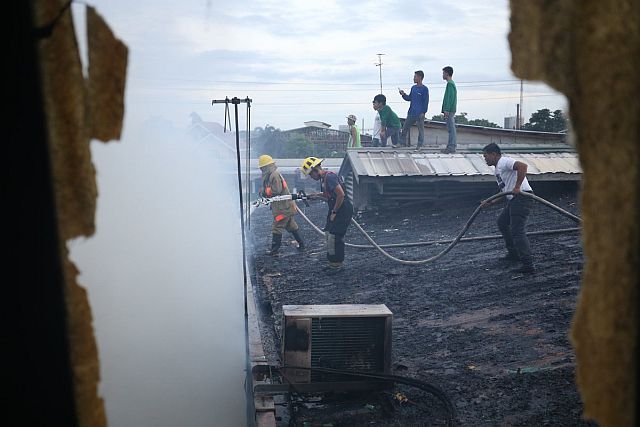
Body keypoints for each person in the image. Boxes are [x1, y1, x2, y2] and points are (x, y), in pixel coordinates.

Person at [480, 143, 535, 273]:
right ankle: (514, 254)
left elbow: (523, 166)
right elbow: (505, 192)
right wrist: (491, 202)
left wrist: (517, 187)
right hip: (514, 199)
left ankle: (528, 265)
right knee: (502, 222)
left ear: (494, 154)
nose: (485, 159)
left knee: (517, 230)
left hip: (522, 198)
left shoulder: (504, 161)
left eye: (486, 156)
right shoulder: (497, 169)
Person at [300, 156, 353, 269]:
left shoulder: (330, 177)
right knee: (329, 233)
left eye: (310, 174)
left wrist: (334, 212)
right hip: (335, 208)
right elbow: (327, 194)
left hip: (342, 210)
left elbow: (341, 195)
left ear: (315, 170)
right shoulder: (323, 179)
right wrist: (313, 196)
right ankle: (332, 262)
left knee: (335, 236)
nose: (311, 177)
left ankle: (337, 264)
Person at [258, 154, 305, 255]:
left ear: (266, 167)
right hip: (285, 206)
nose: (262, 170)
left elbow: (276, 190)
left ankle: (274, 250)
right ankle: (302, 245)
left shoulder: (274, 175)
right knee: (291, 226)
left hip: (283, 208)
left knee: (277, 226)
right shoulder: (272, 175)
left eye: (262, 168)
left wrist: (264, 191)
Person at [399, 70, 429, 148]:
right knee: (404, 128)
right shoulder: (413, 88)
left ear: (420, 77)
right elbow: (409, 98)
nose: (413, 78)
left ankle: (419, 145)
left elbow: (426, 102)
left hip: (419, 114)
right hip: (411, 112)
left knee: (420, 130)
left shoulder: (425, 89)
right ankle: (401, 143)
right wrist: (403, 94)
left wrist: (423, 112)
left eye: (415, 77)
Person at [441, 66, 458, 153]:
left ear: (447, 73)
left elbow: (449, 98)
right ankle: (451, 146)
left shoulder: (450, 84)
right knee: (451, 128)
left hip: (450, 110)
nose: (442, 75)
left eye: (443, 73)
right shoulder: (451, 83)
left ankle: (451, 147)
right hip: (451, 109)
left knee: (451, 129)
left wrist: (446, 109)